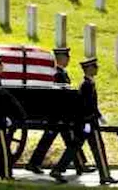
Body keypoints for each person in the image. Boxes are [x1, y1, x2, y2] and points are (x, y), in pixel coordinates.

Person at [51, 58, 116, 184]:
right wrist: (94, 118)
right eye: (95, 67)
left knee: (74, 147)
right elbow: (87, 106)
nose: (97, 68)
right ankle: (105, 176)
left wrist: (98, 115)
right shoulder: (87, 85)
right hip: (88, 123)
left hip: (86, 122)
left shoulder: (88, 83)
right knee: (97, 148)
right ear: (89, 69)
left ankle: (58, 170)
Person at [27, 47, 88, 175]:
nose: (69, 59)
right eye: (67, 57)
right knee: (68, 140)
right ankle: (79, 165)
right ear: (62, 58)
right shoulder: (58, 75)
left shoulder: (61, 73)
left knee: (66, 140)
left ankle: (80, 165)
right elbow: (60, 96)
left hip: (60, 115)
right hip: (58, 115)